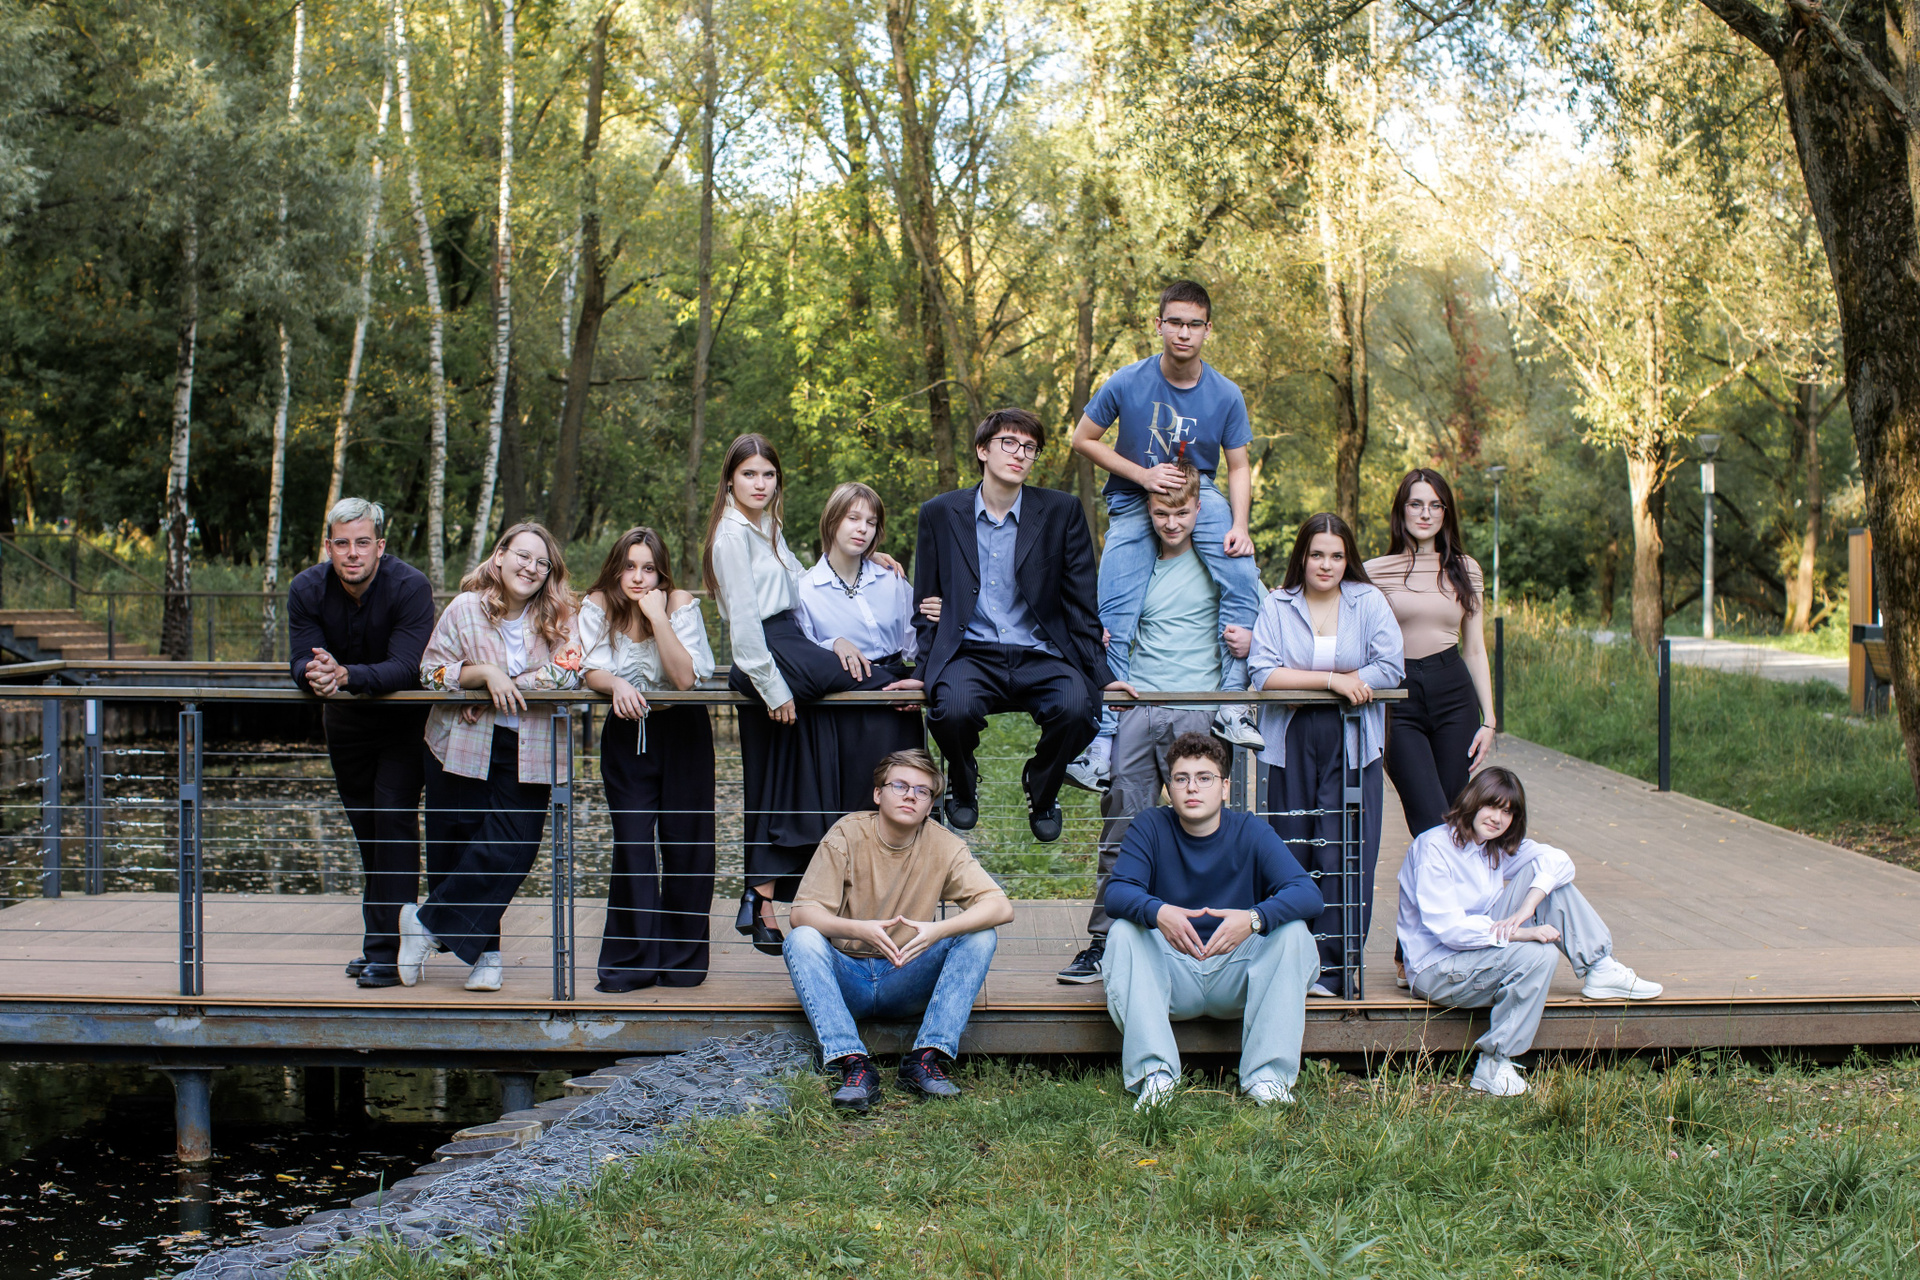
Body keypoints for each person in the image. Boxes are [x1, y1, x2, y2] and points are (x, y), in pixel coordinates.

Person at [703, 435, 911, 956]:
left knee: (783, 769)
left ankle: (760, 895)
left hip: (790, 642)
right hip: (767, 652)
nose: (760, 484)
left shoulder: (766, 527)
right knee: (878, 681)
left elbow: (801, 582)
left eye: (768, 475)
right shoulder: (730, 536)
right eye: (749, 474)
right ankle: (917, 690)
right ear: (729, 479)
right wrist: (773, 687)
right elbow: (744, 625)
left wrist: (867, 563)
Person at [1058, 461, 1255, 983]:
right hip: (1138, 707)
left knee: (1205, 827)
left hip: (1198, 706)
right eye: (1162, 513)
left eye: (1182, 513)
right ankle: (1104, 941)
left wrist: (1252, 641)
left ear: (1199, 510)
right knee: (1122, 827)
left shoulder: (1221, 564)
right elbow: (1103, 623)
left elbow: (1259, 613)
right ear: (1148, 510)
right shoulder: (1133, 567)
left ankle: (1210, 938)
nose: (1172, 523)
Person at [1067, 279, 1265, 793]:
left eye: (1194, 324)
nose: (1183, 332)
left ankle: (1232, 705)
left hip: (1200, 494)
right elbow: (1082, 439)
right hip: (1135, 497)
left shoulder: (1225, 393)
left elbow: (1238, 466)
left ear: (1207, 330)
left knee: (1242, 572)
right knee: (1113, 613)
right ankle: (1102, 741)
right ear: (1158, 325)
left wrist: (1240, 525)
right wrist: (1143, 475)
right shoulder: (1128, 381)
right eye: (1174, 322)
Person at [913, 407, 1136, 843]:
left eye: (1030, 448)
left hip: (1041, 652)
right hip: (970, 653)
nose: (1020, 454)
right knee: (951, 709)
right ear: (983, 450)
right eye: (1009, 443)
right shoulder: (939, 512)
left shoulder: (1061, 511)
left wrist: (1102, 674)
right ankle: (962, 779)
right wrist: (922, 672)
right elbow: (927, 605)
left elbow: (1079, 603)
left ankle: (1042, 785)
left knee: (1080, 708)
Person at [1397, 767, 1663, 1097]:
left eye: (1507, 812)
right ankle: (1494, 1063)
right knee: (1539, 955)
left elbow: (1559, 861)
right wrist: (1522, 933)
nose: (1497, 818)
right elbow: (1450, 930)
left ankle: (1599, 967)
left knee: (1550, 883)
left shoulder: (1490, 846)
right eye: (1491, 806)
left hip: (1476, 952)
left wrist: (1527, 908)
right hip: (1437, 968)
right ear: (1472, 802)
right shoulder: (1433, 848)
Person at [397, 523, 582, 992]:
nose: (531, 568)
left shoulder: (561, 615)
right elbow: (430, 672)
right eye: (523, 556)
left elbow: (568, 674)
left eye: (542, 563)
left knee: (515, 847)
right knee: (460, 846)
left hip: (531, 746)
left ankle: (425, 925)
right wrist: (479, 674)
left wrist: (503, 685)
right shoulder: (465, 608)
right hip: (462, 740)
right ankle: (487, 957)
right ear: (499, 556)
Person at [783, 749, 1014, 1112]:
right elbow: (801, 913)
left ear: (930, 805)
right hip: (847, 976)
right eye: (900, 786)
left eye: (922, 791)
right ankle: (853, 1064)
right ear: (878, 794)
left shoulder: (945, 845)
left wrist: (938, 931)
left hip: (907, 974)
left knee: (981, 934)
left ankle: (925, 1059)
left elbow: (1000, 907)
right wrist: (858, 929)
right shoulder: (846, 834)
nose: (910, 796)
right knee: (802, 939)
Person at [1101, 733, 1323, 1109]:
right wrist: (1159, 912)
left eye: (1204, 778)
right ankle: (1156, 1076)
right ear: (1169, 788)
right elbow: (1117, 894)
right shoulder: (1150, 826)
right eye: (1181, 778)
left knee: (1293, 934)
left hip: (1237, 976)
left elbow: (1307, 894)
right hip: (1172, 975)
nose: (1192, 787)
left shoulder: (1251, 830)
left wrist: (1254, 919)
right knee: (1124, 932)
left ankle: (1267, 1079)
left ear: (1224, 788)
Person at [1247, 513, 1404, 999]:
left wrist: (1325, 684)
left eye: (1336, 556)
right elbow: (1262, 672)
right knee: (1291, 847)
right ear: (1302, 556)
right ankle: (1291, 960)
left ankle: (1336, 969)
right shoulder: (1278, 604)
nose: (1326, 564)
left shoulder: (1368, 601)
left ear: (1347, 559)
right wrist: (1333, 682)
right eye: (1317, 554)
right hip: (1290, 737)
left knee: (1343, 849)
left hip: (1352, 737)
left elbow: (1390, 667)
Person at [287, 498, 438, 989]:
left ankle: (386, 956)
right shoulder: (306, 588)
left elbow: (407, 667)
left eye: (362, 543)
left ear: (380, 546)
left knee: (392, 827)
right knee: (368, 835)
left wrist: (345, 675)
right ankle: (381, 941)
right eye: (342, 543)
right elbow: (298, 657)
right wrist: (314, 673)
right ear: (328, 546)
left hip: (402, 726)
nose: (352, 553)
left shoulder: (410, 586)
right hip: (345, 726)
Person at [1365, 468, 1497, 988]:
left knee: (1458, 825)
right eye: (1416, 504)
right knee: (1430, 826)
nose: (1425, 513)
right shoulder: (1375, 570)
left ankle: (1418, 949)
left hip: (1453, 693)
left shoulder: (1466, 569)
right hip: (1398, 697)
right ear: (1401, 511)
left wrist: (1490, 719)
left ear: (1446, 513)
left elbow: (1475, 648)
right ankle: (1419, 948)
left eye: (1435, 505)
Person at [578, 527, 717, 992]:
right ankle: (631, 961)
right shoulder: (598, 604)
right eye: (630, 567)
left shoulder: (677, 603)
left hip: (683, 731)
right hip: (626, 731)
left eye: (649, 568)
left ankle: (681, 963)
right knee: (634, 845)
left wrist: (657, 617)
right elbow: (589, 667)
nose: (638, 577)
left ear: (661, 573)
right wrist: (616, 683)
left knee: (687, 844)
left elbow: (684, 679)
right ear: (616, 568)